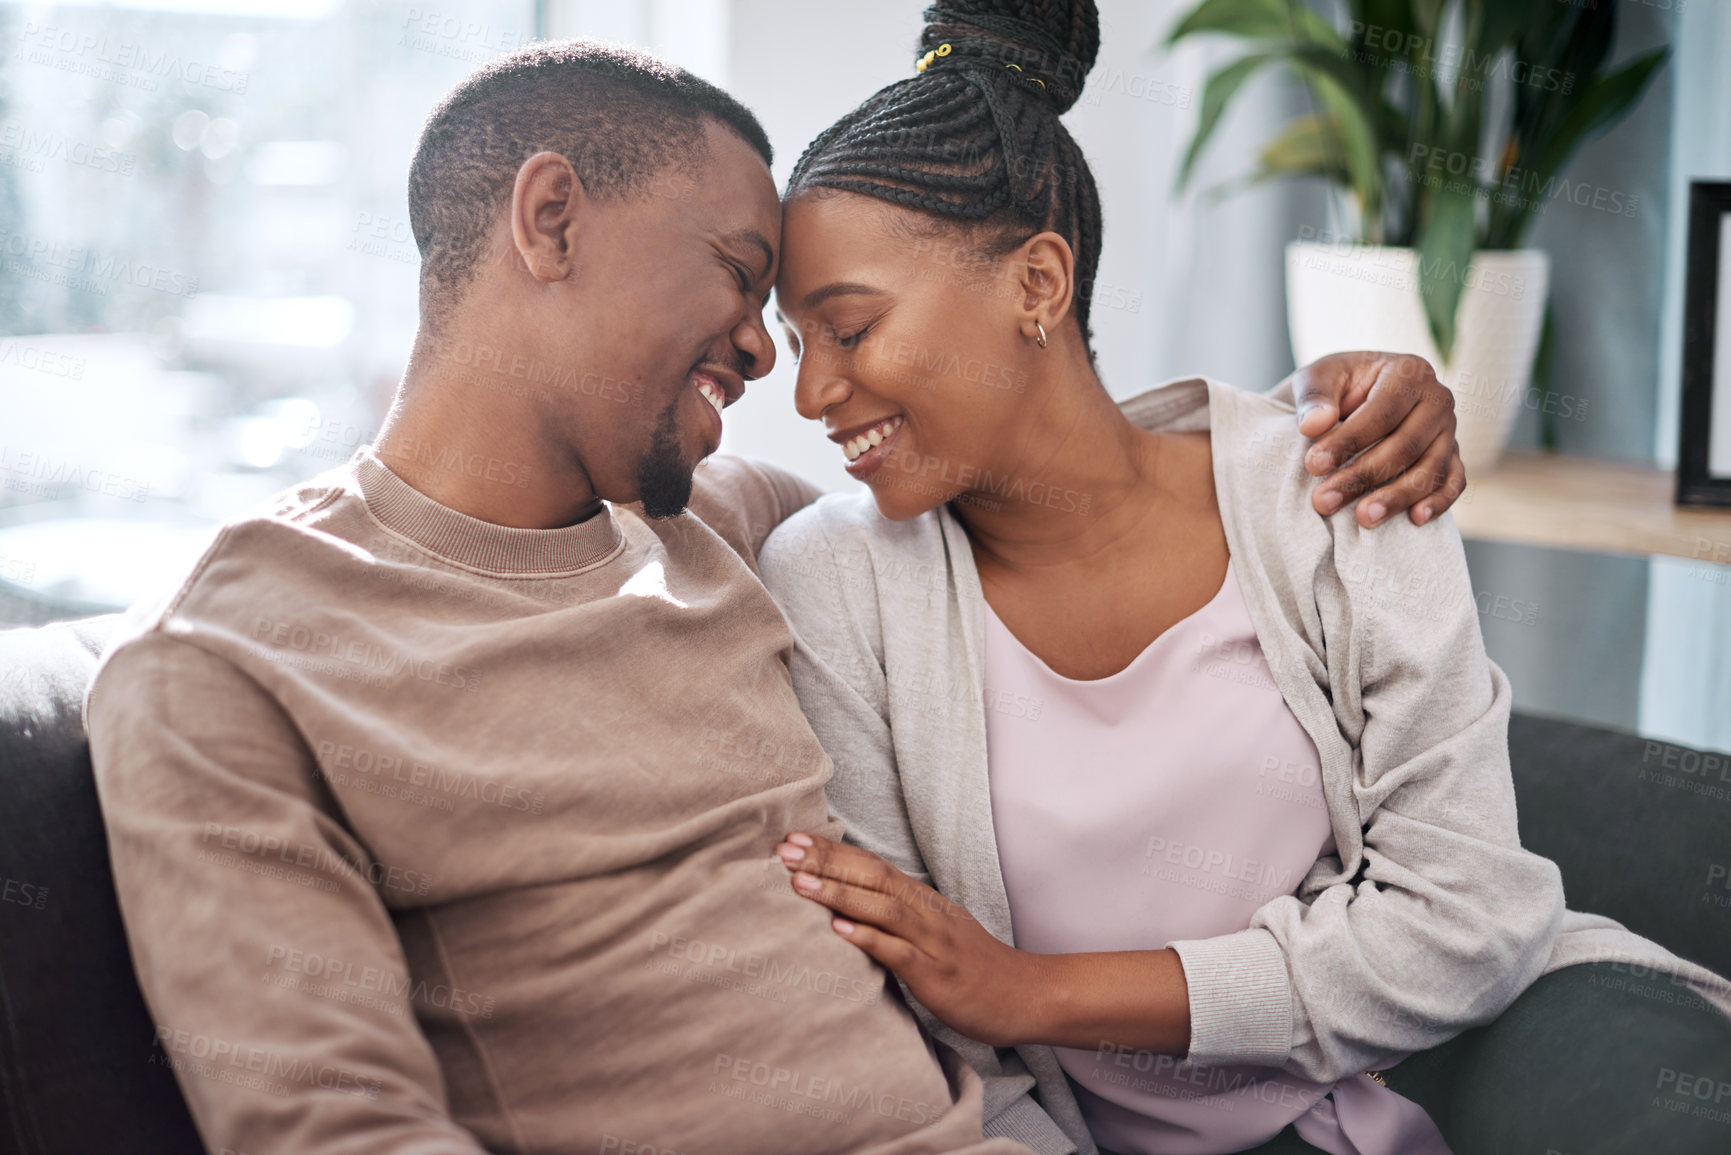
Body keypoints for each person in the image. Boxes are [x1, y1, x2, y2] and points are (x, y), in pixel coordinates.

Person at [86, 39, 1469, 1155]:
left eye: (820, 321)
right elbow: (337, 1125)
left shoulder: (735, 530)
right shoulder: (225, 666)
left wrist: (1308, 419)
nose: (771, 361)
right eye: (748, 283)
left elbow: (1031, 490)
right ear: (549, 216)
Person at [756, 4, 1731, 1155]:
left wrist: (1038, 991)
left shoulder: (1338, 479)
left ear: (1036, 284)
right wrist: (1003, 1014)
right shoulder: (835, 583)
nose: (813, 392)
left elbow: (1471, 924)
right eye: (793, 337)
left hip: (1479, 1041)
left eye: (850, 329)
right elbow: (934, 1015)